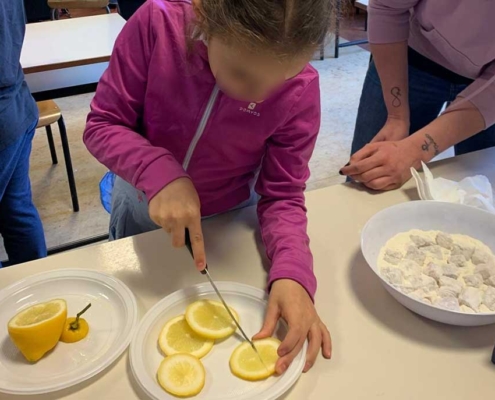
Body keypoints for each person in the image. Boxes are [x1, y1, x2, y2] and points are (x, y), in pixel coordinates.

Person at [84, 0, 333, 373]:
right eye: (242, 74)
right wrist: (158, 170)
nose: (259, 95)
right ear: (207, 19)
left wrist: (293, 271)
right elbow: (102, 124)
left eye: (281, 78)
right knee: (136, 328)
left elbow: (282, 193)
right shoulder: (156, 25)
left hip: (226, 225)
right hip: (141, 204)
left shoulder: (301, 91)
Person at [341, 0, 495, 190]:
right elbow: (387, 7)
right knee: (371, 177)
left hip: (487, 84)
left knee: (481, 188)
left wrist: (416, 150)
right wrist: (397, 117)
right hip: (409, 55)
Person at [0, 1, 47, 267]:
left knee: (16, 210)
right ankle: (34, 289)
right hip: (16, 103)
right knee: (16, 210)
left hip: (9, 106)